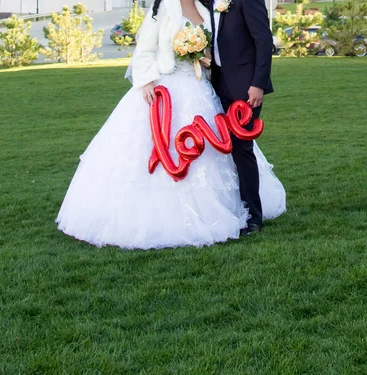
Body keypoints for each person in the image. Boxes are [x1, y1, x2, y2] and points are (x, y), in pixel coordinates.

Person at [56, 0, 286, 250]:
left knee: (224, 150)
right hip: (167, 88)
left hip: (202, 90)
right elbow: (144, 49)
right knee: (162, 150)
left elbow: (228, 43)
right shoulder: (164, 7)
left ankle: (241, 210)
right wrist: (146, 81)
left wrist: (205, 56)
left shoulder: (204, 7)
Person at [209, 0, 274, 235]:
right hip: (216, 85)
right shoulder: (209, 2)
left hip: (246, 87)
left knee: (241, 147)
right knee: (223, 148)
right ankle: (231, 208)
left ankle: (252, 217)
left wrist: (258, 84)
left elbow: (264, 41)